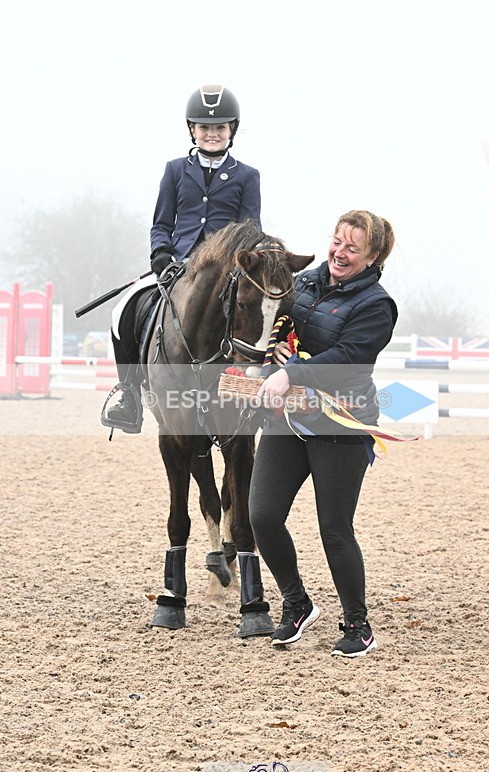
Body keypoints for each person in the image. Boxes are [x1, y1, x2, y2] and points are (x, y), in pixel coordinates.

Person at [249, 209, 398, 658]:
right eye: (337, 241)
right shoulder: (305, 283)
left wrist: (290, 372)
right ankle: (297, 602)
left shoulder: (377, 305)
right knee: (262, 516)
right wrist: (275, 349)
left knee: (334, 529)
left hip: (340, 424)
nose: (340, 252)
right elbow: (278, 321)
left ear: (372, 258)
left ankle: (357, 625)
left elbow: (348, 356)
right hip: (289, 420)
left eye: (353, 247)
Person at [105, 84, 261, 431]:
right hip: (177, 266)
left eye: (219, 127)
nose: (211, 133)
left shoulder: (247, 176)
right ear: (192, 129)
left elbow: (251, 230)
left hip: (225, 272)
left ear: (232, 130)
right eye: (204, 127)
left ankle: (256, 391)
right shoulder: (175, 170)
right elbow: (162, 224)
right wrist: (160, 253)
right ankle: (129, 393)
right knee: (121, 311)